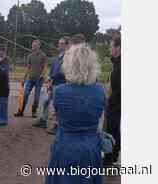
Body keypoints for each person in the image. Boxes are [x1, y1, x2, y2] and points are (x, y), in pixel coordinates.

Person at [45, 44, 105, 184]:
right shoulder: (100, 91)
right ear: (92, 65)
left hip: (66, 146)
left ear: (69, 65)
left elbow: (57, 115)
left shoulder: (59, 91)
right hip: (90, 148)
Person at [33, 36, 70, 128]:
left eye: (61, 43)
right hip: (53, 83)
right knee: (46, 101)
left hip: (61, 84)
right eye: (59, 43)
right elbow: (52, 68)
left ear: (66, 45)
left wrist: (51, 78)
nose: (59, 45)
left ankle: (57, 125)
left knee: (58, 105)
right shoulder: (57, 57)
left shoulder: (68, 58)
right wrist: (49, 78)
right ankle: (43, 120)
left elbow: (62, 72)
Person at [14, 40, 48, 118]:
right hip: (30, 79)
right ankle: (21, 111)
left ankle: (34, 111)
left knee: (36, 97)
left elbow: (45, 67)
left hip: (39, 80)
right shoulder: (30, 56)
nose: (33, 47)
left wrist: (42, 75)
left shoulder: (43, 55)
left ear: (39, 46)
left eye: (35, 45)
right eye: (33, 45)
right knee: (25, 95)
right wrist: (24, 78)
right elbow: (28, 68)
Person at [103, 35, 121, 167]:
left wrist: (109, 102)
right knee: (112, 131)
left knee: (111, 132)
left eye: (111, 46)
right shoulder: (116, 62)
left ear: (118, 47)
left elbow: (119, 89)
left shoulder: (121, 65)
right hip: (113, 104)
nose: (110, 48)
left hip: (115, 106)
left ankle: (110, 159)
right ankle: (112, 157)